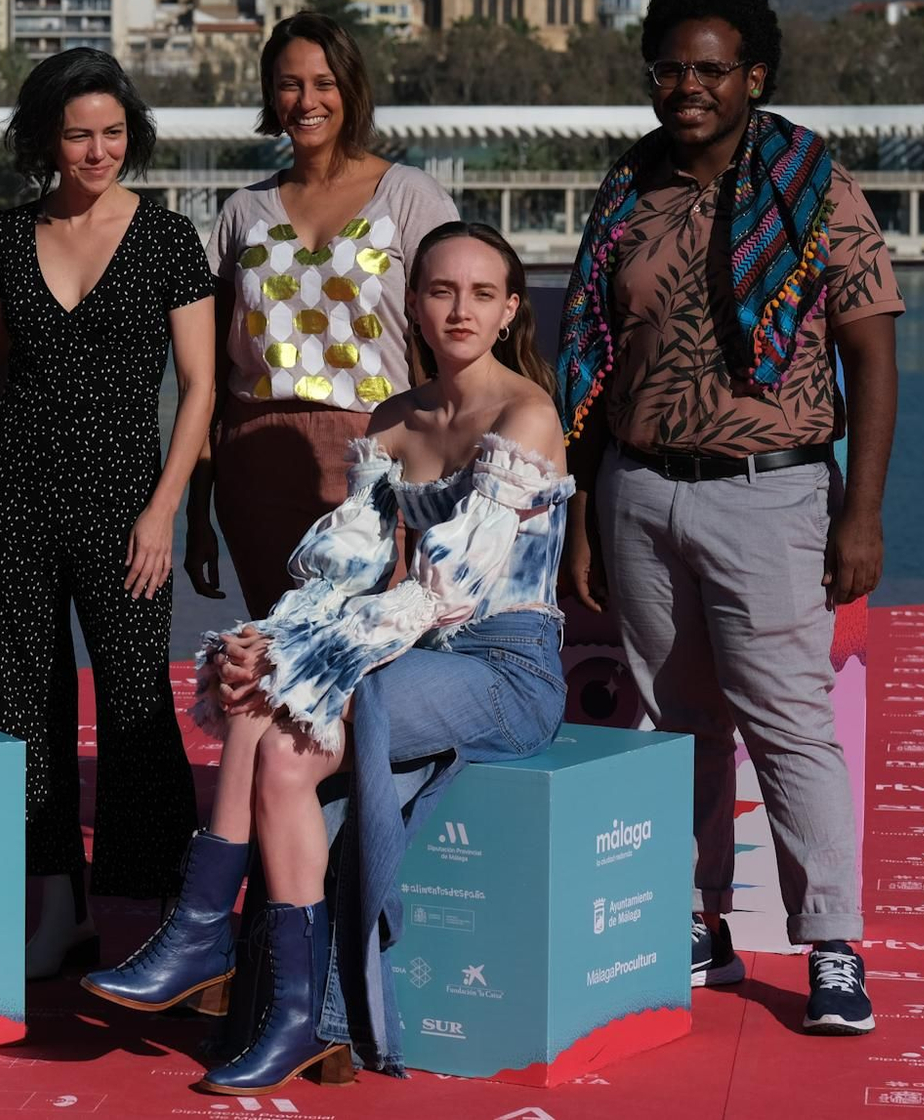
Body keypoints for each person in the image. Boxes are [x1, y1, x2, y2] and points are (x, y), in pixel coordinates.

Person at [84, 223, 571, 1095]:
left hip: (505, 668)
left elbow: (447, 588)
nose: (459, 310)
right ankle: (272, 996)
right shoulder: (392, 418)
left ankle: (211, 936)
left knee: (278, 684)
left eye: (481, 294)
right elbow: (345, 570)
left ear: (507, 311)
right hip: (411, 657)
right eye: (441, 291)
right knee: (265, 719)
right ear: (413, 304)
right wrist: (278, 631)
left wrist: (299, 652)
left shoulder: (526, 412)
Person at [556, 0, 902, 1036]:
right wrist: (581, 513)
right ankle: (691, 920)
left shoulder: (814, 187)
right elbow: (590, 365)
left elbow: (873, 357)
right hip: (638, 490)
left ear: (753, 75)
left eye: (710, 69)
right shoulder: (625, 191)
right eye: (669, 67)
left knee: (788, 723)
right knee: (672, 725)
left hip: (771, 493)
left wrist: (861, 513)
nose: (687, 86)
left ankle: (831, 942)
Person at [0, 49, 217, 978]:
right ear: (46, 139)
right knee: (19, 703)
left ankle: (165, 916)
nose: (97, 150)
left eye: (112, 131)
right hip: (13, 490)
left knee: (140, 704)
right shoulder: (7, 235)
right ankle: (54, 910)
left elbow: (199, 387)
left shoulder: (169, 238)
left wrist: (164, 511)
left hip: (125, 504)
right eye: (78, 134)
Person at [187, 12, 459, 618]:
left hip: (379, 456)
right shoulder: (242, 212)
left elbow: (454, 345)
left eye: (323, 82)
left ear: (351, 88)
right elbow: (205, 375)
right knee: (281, 662)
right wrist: (197, 510)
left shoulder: (412, 196)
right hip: (255, 466)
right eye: (289, 84)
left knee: (370, 651)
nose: (306, 100)